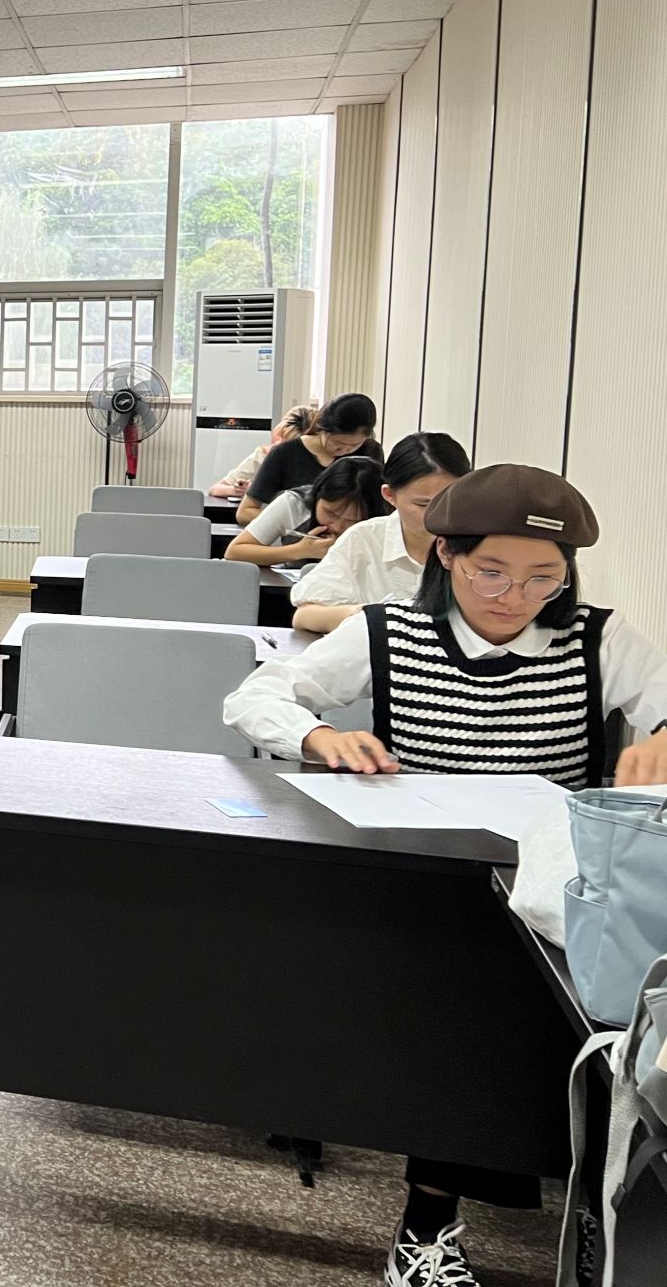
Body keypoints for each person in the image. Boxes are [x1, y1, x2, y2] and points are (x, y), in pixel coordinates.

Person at [224, 464, 667, 1287]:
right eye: (490, 571)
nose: (514, 597)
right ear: (447, 557)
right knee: (459, 1000)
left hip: (550, 890)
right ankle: (425, 1227)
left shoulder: (597, 639)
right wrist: (318, 737)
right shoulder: (391, 630)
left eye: (542, 578)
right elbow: (257, 695)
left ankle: (600, 1217)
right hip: (428, 877)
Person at [291, 433, 472, 634]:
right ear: (390, 495)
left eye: (450, 500)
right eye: (423, 504)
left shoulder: (482, 541)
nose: (438, 512)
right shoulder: (365, 539)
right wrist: (371, 616)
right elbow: (305, 615)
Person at [237, 392, 382, 524]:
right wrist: (292, 525)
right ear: (322, 428)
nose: (345, 450)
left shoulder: (369, 453)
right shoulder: (286, 453)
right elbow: (245, 512)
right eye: (338, 443)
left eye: (355, 445)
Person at [221, 455, 386, 569]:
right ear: (318, 494)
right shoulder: (295, 503)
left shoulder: (388, 521)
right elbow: (235, 552)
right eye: (331, 513)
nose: (337, 526)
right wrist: (300, 550)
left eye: (352, 521)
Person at [211, 403, 315, 499]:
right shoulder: (262, 456)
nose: (277, 445)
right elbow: (215, 489)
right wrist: (239, 490)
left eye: (285, 443)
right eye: (278, 437)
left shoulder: (315, 465)